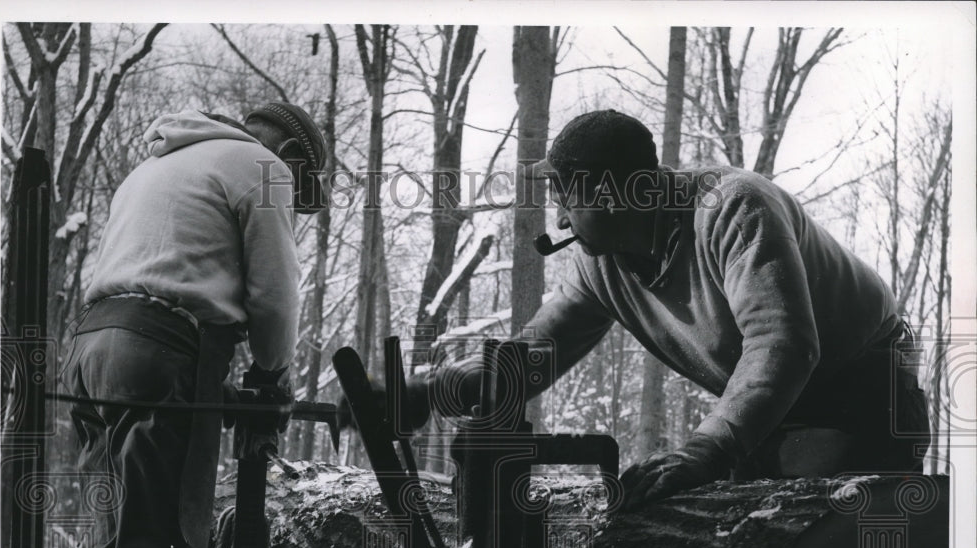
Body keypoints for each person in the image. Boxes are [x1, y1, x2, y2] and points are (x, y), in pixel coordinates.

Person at [384, 109, 930, 507]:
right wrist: (435, 389)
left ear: (613, 195)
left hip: (863, 388)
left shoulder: (733, 208)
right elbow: (535, 353)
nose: (563, 220)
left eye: (567, 197)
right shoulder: (603, 264)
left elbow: (782, 344)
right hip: (776, 411)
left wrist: (704, 449)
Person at [61, 103, 327, 548]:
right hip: (164, 353)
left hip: (91, 351)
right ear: (292, 160)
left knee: (110, 542)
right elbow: (274, 294)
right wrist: (269, 382)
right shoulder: (263, 166)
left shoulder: (158, 163)